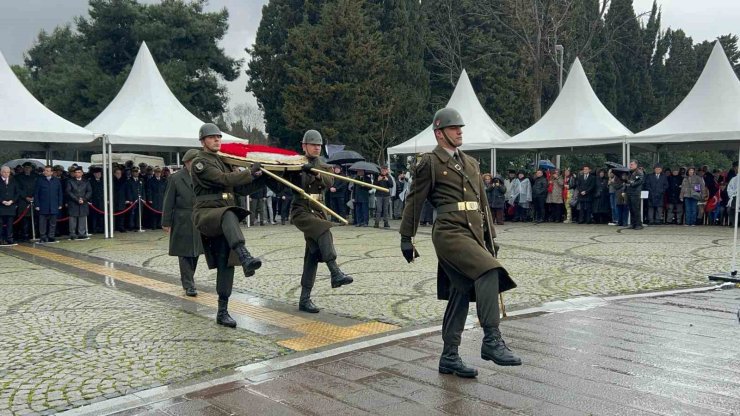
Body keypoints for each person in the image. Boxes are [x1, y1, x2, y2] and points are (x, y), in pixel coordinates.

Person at [400, 108, 520, 379]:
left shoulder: (471, 163)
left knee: (460, 293)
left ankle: (449, 357)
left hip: (473, 233)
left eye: (461, 128)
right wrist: (406, 237)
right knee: (489, 271)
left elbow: (483, 204)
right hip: (449, 233)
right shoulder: (429, 162)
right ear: (439, 133)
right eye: (454, 128)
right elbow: (414, 201)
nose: (460, 132)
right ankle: (491, 340)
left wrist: (491, 238)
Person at [191, 123, 265, 328]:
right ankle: (245, 255)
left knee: (227, 263)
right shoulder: (201, 162)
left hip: (224, 216)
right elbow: (222, 179)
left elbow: (240, 190)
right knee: (229, 213)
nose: (217, 140)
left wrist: (260, 177)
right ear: (203, 141)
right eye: (212, 137)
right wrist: (249, 172)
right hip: (207, 214)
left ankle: (222, 311)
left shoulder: (223, 161)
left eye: (218, 137)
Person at [289, 130, 354, 313]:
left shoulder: (324, 166)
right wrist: (298, 171)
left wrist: (316, 174)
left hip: (318, 210)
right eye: (313, 144)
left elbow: (329, 182)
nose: (316, 148)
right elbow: (287, 183)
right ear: (304, 146)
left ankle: (304, 299)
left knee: (312, 254)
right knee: (324, 228)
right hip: (301, 210)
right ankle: (335, 271)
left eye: (319, 145)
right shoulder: (295, 163)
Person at [162, 149, 204, 297]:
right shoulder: (176, 178)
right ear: (187, 162)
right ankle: (188, 284)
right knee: (184, 253)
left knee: (196, 252)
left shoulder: (202, 176)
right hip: (182, 219)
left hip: (199, 218)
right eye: (194, 161)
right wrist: (166, 222)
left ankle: (188, 278)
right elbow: (168, 201)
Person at [34, 166, 63, 243]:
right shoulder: (40, 180)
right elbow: (36, 194)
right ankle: (43, 236)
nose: (45, 172)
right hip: (43, 205)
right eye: (45, 170)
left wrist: (60, 203)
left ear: (51, 172)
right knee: (42, 223)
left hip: (54, 205)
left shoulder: (56, 181)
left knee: (53, 223)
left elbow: (60, 193)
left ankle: (51, 236)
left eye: (47, 171)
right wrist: (37, 205)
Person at [66, 166, 92, 240]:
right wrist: (77, 199)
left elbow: (89, 191)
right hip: (73, 202)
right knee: (72, 219)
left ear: (82, 173)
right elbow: (68, 191)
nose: (77, 174)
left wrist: (84, 199)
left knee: (82, 218)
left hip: (83, 202)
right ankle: (72, 233)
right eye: (76, 172)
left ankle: (82, 233)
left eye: (79, 172)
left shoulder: (86, 181)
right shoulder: (70, 181)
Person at [15, 162, 37, 242]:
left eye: (29, 167)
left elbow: (37, 188)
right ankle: (24, 235)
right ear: (23, 168)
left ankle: (33, 235)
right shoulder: (18, 177)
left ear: (31, 168)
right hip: (23, 201)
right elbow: (18, 189)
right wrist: (25, 197)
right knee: (24, 220)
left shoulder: (35, 176)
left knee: (34, 219)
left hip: (34, 200)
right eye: (26, 167)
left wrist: (34, 196)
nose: (27, 169)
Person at [0, 166, 19, 245]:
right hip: (1, 206)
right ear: (1, 172)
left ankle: (9, 238)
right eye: (4, 172)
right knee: (0, 224)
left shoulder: (13, 180)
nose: (6, 174)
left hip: (11, 205)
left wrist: (12, 201)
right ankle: (0, 239)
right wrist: (2, 201)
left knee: (10, 224)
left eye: (8, 172)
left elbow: (17, 192)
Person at [624, 160, 645, 230]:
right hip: (629, 192)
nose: (630, 166)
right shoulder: (630, 172)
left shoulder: (639, 172)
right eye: (630, 164)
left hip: (635, 193)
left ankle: (639, 224)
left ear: (636, 165)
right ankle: (633, 224)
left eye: (632, 164)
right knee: (631, 209)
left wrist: (630, 183)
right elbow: (627, 181)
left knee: (636, 209)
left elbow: (639, 181)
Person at [89, 167, 105, 233]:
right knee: (94, 216)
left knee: (101, 215)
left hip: (101, 201)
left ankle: (101, 228)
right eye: (97, 173)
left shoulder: (103, 181)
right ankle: (94, 229)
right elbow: (89, 191)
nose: (99, 174)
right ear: (94, 174)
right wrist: (90, 201)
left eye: (100, 173)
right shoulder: (90, 181)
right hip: (94, 201)